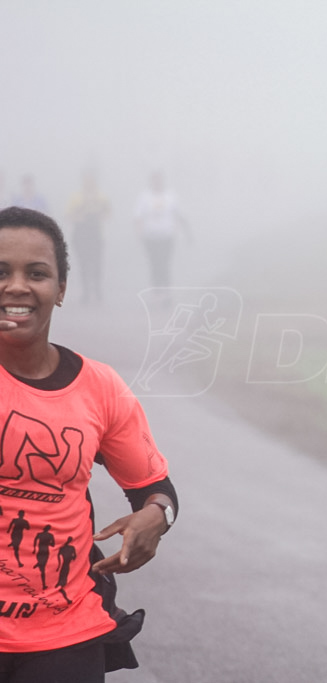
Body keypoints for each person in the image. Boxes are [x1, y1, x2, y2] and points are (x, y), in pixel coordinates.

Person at [0, 206, 179, 682]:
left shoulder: (99, 387)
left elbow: (156, 489)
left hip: (65, 635)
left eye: (36, 273)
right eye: (1, 272)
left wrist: (157, 517)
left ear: (60, 290)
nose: (16, 286)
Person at [133, 171, 190, 295]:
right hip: (150, 237)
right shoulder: (144, 197)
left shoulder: (171, 196)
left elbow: (179, 214)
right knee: (154, 263)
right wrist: (138, 234)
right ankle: (156, 290)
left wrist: (186, 233)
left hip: (167, 237)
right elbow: (138, 217)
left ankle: (167, 291)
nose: (157, 182)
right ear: (151, 181)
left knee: (165, 263)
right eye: (154, 180)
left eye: (159, 180)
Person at [66, 169, 112, 305]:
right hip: (81, 234)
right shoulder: (76, 197)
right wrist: (80, 217)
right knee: (83, 263)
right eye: (86, 180)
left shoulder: (101, 197)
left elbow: (108, 213)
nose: (89, 183)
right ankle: (86, 291)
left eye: (91, 180)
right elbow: (69, 215)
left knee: (97, 263)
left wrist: (98, 216)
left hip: (96, 234)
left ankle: (97, 290)